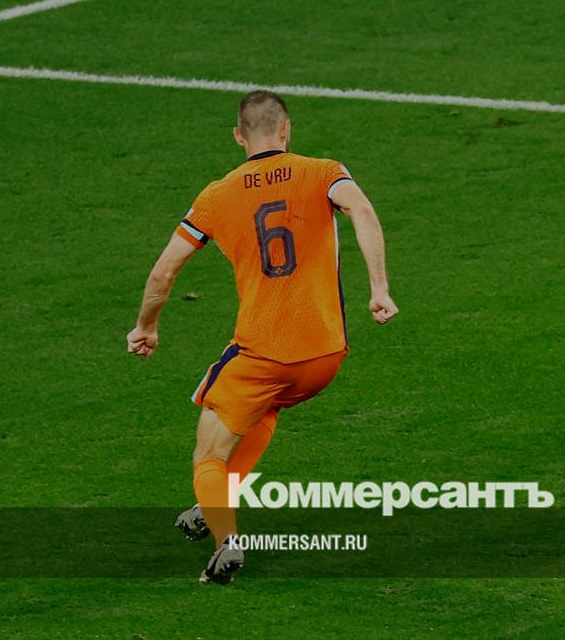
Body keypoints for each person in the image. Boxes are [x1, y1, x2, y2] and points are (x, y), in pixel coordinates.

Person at [126, 90, 398, 582]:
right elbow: (362, 210)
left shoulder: (216, 196)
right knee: (264, 409)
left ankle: (226, 542)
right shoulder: (323, 172)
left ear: (238, 136)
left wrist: (146, 327)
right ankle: (211, 508)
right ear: (286, 130)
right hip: (324, 356)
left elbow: (164, 271)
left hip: (264, 354)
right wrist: (378, 289)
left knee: (208, 454)